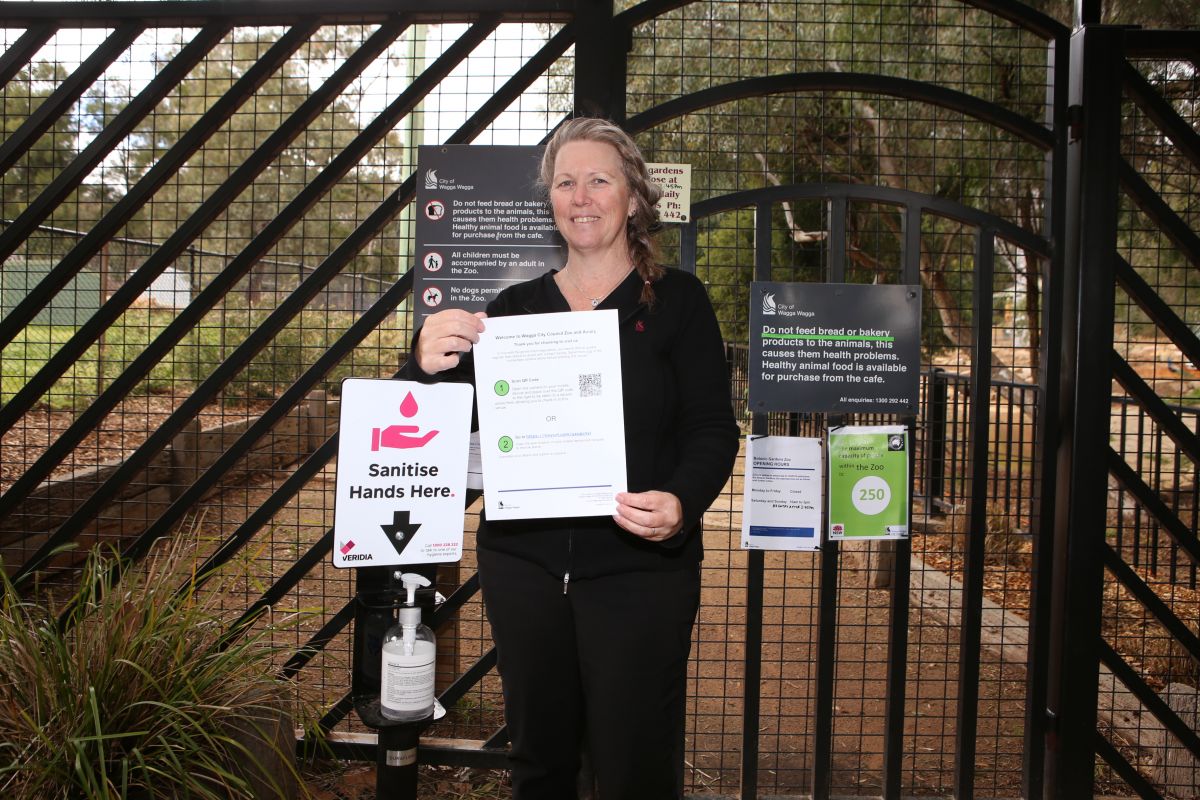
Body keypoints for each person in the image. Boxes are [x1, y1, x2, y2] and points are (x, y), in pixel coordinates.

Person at [404, 117, 739, 799]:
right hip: (524, 568)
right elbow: (432, 420)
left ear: (634, 198)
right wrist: (422, 364)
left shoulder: (678, 303)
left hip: (641, 570)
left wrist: (681, 501)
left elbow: (712, 428)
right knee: (539, 762)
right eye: (565, 182)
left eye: (598, 180)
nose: (580, 196)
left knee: (633, 767)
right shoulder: (513, 312)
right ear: (550, 201)